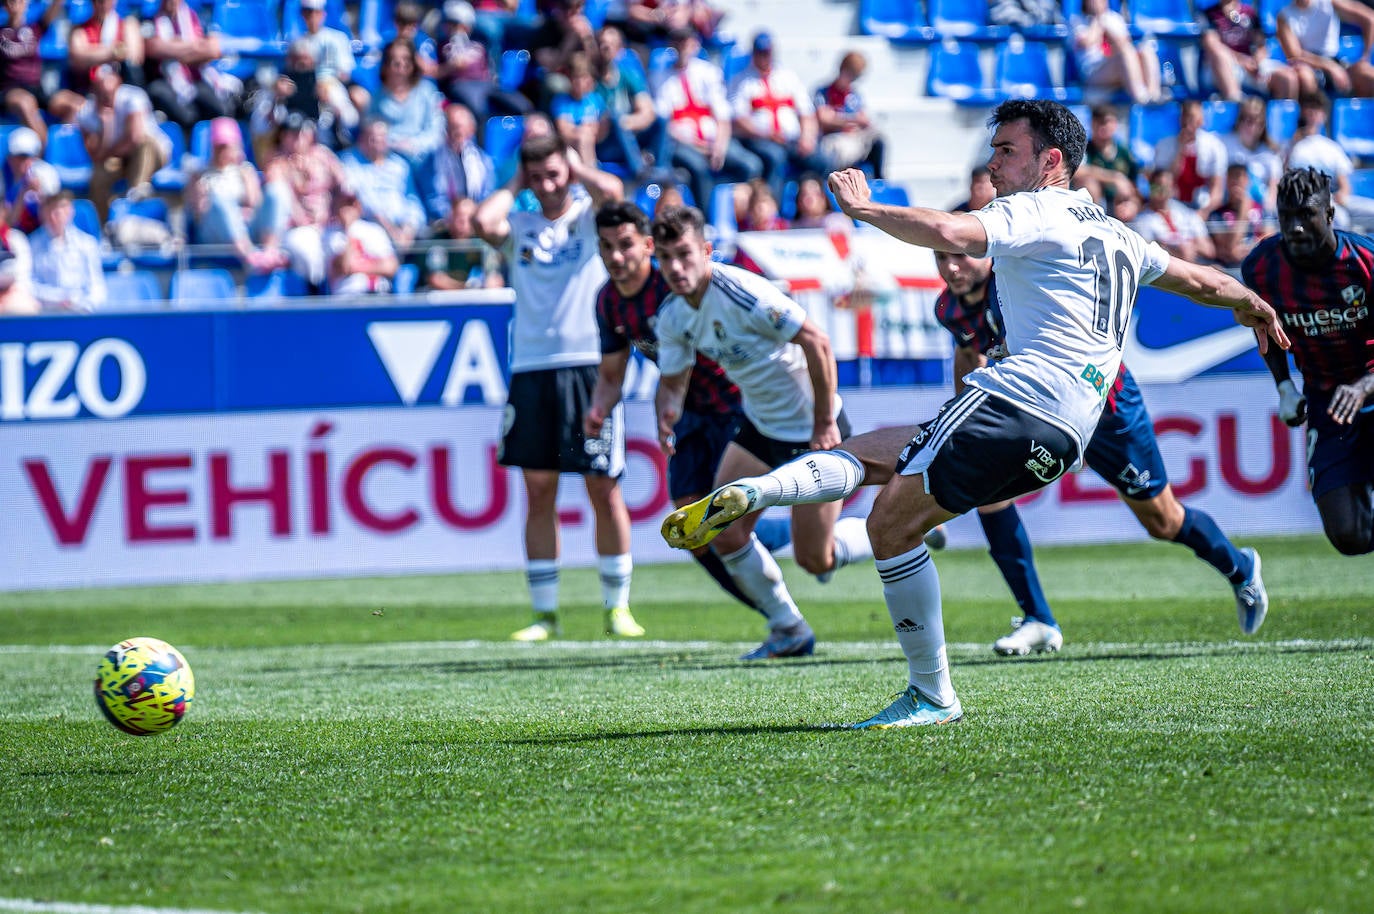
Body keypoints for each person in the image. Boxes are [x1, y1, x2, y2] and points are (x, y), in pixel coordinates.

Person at [661, 99, 1287, 728]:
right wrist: (1251, 302)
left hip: (1029, 401)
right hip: (1062, 425)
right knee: (875, 457)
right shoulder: (1121, 236)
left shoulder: (1038, 208)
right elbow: (1201, 280)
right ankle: (760, 493)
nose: (993, 164)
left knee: (890, 525)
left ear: (1051, 161)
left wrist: (864, 209)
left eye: (1007, 151)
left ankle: (932, 694)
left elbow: (952, 231)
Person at [932, 245, 1273, 655]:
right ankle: (1039, 618)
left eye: (960, 255)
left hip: (1104, 405)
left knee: (1163, 521)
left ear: (987, 253)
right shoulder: (949, 309)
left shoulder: (1017, 280)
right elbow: (968, 352)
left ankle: (1240, 567)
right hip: (1037, 409)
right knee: (989, 496)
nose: (951, 267)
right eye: (941, 258)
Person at [651, 204, 873, 660]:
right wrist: (666, 415)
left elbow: (817, 341)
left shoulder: (741, 291)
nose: (675, 267)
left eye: (684, 254)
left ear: (706, 251)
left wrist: (824, 422)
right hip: (759, 427)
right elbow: (672, 379)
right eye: (665, 257)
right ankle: (788, 628)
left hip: (814, 429)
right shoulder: (672, 315)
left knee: (816, 559)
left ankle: (898, 531)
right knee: (723, 532)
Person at [472, 133, 647, 641]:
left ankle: (617, 607)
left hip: (588, 366)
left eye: (554, 175)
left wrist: (575, 165)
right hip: (531, 368)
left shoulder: (590, 220)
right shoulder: (520, 226)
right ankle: (544, 614)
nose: (547, 186)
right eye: (538, 177)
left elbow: (613, 194)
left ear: (567, 171)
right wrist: (514, 182)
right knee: (539, 490)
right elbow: (481, 222)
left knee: (602, 486)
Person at [585, 201, 775, 617]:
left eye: (625, 245)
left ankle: (785, 578)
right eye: (606, 247)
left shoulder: (673, 286)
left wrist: (666, 403)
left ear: (647, 246)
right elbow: (612, 374)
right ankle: (771, 612)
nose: (616, 256)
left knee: (727, 515)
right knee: (690, 525)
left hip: (734, 404)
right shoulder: (608, 302)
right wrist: (597, 409)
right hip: (689, 413)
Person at [1242, 166, 1374, 556]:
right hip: (1327, 403)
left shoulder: (1366, 261)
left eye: (1306, 215)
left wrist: (1365, 386)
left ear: (1329, 214)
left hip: (1370, 385)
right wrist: (1284, 386)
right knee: (1349, 536)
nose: (1295, 227)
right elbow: (1265, 328)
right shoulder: (1261, 268)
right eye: (1287, 217)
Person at [652, 27, 762, 213]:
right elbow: (665, 124)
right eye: (679, 42)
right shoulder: (660, 78)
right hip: (682, 143)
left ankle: (746, 215)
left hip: (713, 141)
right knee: (699, 168)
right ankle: (705, 218)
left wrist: (719, 147)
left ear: (695, 44)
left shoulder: (708, 72)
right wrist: (699, 147)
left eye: (687, 42)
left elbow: (722, 116)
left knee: (751, 165)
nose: (683, 47)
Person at [728, 32, 829, 203]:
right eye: (760, 52)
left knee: (820, 160)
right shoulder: (741, 81)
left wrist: (807, 137)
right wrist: (766, 134)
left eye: (767, 52)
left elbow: (806, 112)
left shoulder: (787, 77)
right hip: (759, 139)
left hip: (791, 140)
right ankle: (773, 208)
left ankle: (816, 206)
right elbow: (739, 119)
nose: (764, 57)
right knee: (775, 157)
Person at [186, 117, 290, 272]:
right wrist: (228, 210)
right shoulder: (199, 175)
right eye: (220, 146)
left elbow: (254, 204)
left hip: (245, 227)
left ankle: (269, 252)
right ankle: (250, 258)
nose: (223, 150)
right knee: (220, 200)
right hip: (214, 233)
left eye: (228, 146)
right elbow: (199, 214)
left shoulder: (245, 170)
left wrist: (242, 170)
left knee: (277, 190)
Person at [262, 113, 350, 292]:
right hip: (296, 229)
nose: (297, 138)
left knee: (342, 246)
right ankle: (315, 296)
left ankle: (340, 297)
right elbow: (283, 197)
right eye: (292, 134)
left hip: (328, 225)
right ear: (283, 136)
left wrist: (338, 209)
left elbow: (345, 186)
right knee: (308, 251)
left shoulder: (322, 155)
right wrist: (305, 220)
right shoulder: (277, 162)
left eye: (301, 132)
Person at [77, 64, 172, 221]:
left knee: (145, 144)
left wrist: (108, 152)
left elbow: (135, 137)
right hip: (117, 157)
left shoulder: (133, 97)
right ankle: (103, 224)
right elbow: (95, 156)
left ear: (118, 83)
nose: (105, 95)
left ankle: (137, 195)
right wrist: (106, 127)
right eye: (100, 90)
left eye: (108, 90)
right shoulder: (87, 112)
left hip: (152, 154)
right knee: (99, 175)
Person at [142, 0, 240, 133]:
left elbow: (213, 50)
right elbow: (154, 48)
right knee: (186, 115)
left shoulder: (193, 17)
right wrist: (194, 47)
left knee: (221, 110)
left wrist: (174, 47)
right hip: (164, 80)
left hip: (194, 77)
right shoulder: (150, 19)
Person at [0, 0, 81, 142]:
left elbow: (56, 6)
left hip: (36, 88)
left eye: (19, 1)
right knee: (25, 103)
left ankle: (67, 147)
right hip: (10, 90)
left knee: (75, 104)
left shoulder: (35, 29)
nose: (15, 5)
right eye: (10, 2)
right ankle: (47, 151)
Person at [341, 118, 428, 249]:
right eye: (372, 138)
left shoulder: (399, 166)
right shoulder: (350, 162)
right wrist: (389, 229)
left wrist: (409, 228)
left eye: (382, 137)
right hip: (369, 228)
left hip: (402, 233)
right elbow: (361, 199)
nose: (378, 141)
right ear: (362, 140)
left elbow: (412, 200)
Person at [1200, 0, 1300, 102]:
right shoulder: (1209, 14)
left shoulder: (1250, 13)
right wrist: (1241, 60)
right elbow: (1211, 44)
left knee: (1288, 78)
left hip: (1251, 66)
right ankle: (1236, 102)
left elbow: (1261, 45)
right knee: (1220, 54)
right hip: (1224, 67)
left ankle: (1281, 111)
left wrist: (1257, 61)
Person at [371, 38, 447, 170]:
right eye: (394, 60)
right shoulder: (378, 97)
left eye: (406, 59)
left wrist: (414, 144)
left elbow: (436, 131)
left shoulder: (427, 91)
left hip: (424, 159)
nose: (401, 64)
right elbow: (371, 130)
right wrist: (394, 143)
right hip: (391, 159)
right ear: (385, 65)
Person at [1068, 0, 1164, 105]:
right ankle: (1141, 97)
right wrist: (1098, 20)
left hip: (1118, 69)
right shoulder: (1077, 20)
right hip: (1093, 74)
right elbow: (1087, 42)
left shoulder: (1114, 18)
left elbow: (1125, 44)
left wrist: (1107, 26)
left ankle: (1154, 95)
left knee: (1145, 50)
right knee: (1125, 53)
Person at [1276, 0, 1374, 98]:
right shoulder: (1284, 16)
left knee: (1367, 74)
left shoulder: (1329, 3)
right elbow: (1295, 55)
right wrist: (1329, 66)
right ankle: (1314, 106)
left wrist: (1365, 57)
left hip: (1335, 60)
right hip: (1309, 65)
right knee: (1305, 77)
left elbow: (1370, 19)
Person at [28, 192, 107, 313]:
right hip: (45, 313)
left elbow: (97, 286)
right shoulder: (31, 244)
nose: (54, 216)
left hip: (81, 313)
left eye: (59, 209)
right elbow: (29, 285)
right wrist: (59, 299)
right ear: (41, 212)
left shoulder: (87, 244)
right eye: (49, 209)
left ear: (70, 211)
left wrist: (84, 306)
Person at [813, 50, 885, 179]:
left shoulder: (854, 95)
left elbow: (863, 118)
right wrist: (851, 119)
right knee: (843, 150)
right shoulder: (823, 92)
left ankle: (879, 180)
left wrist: (849, 120)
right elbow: (824, 118)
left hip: (855, 136)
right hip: (833, 139)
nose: (852, 80)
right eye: (851, 74)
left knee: (877, 139)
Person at [1152, 99, 1228, 221]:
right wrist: (1180, 150)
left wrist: (1204, 212)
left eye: (1192, 117)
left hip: (1204, 207)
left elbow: (1217, 189)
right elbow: (1160, 185)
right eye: (1185, 116)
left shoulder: (1215, 147)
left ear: (1201, 120)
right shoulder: (1164, 145)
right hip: (1173, 207)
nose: (1188, 122)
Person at [427, 103, 496, 224]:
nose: (456, 132)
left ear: (471, 129)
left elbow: (488, 193)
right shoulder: (432, 161)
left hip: (477, 219)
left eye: (460, 127)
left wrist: (473, 213)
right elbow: (433, 198)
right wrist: (456, 216)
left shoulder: (483, 160)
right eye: (451, 127)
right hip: (446, 222)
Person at [1132, 167, 1217, 263]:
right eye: (1157, 186)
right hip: (1166, 267)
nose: (1161, 191)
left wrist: (1189, 247)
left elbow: (1208, 250)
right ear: (1150, 188)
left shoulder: (1186, 213)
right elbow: (1147, 253)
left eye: (1166, 187)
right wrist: (1176, 251)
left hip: (1197, 263)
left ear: (1173, 188)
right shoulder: (1142, 220)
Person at [324, 189, 399, 294]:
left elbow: (391, 267)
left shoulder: (374, 229)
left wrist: (358, 266)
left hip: (377, 293)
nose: (350, 209)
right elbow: (345, 266)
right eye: (345, 205)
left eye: (353, 204)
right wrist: (348, 229)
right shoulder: (330, 234)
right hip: (348, 295)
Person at [67, 0, 145, 98]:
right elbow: (78, 59)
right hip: (91, 93)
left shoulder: (127, 24)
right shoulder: (80, 30)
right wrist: (114, 52)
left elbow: (135, 56)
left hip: (123, 89)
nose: (103, 3)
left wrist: (93, 53)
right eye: (99, 1)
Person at [1074, 105, 1139, 217]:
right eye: (1099, 122)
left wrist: (1133, 204)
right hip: (1093, 206)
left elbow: (1134, 185)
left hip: (1118, 205)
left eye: (1107, 122)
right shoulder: (1084, 149)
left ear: (1115, 124)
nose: (1103, 126)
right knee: (1089, 184)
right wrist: (1114, 177)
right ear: (1092, 124)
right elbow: (1077, 171)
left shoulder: (1124, 152)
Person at [3, 127, 60, 234]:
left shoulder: (47, 174)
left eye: (25, 157)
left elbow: (53, 217)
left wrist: (40, 195)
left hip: (44, 233)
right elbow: (9, 223)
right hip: (16, 234)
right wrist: (24, 192)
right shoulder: (4, 177)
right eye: (16, 156)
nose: (20, 162)